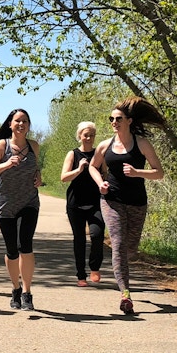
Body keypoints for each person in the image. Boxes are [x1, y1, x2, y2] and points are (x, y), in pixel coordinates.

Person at [88, 96, 165, 314]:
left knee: (130, 248)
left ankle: (121, 269)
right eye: (111, 118)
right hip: (111, 200)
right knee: (119, 245)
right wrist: (100, 183)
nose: (114, 122)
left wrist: (137, 172)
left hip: (137, 202)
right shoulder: (105, 145)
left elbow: (159, 172)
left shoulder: (141, 143)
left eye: (118, 118)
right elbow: (93, 167)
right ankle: (126, 295)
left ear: (129, 121)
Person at [0, 109, 43, 311]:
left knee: (26, 244)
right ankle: (15, 288)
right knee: (12, 250)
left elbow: (35, 170)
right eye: (17, 121)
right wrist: (6, 164)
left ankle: (27, 292)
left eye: (25, 121)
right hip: (6, 203)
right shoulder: (2, 145)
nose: (21, 124)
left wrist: (39, 177)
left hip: (29, 202)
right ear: (10, 124)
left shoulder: (34, 146)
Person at [60, 121, 104, 287]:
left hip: (96, 202)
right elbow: (63, 177)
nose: (88, 138)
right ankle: (81, 275)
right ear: (80, 136)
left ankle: (94, 267)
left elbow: (105, 173)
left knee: (97, 234)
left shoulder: (99, 154)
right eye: (86, 135)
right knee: (79, 239)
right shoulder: (73, 154)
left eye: (92, 135)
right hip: (75, 203)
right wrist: (79, 169)